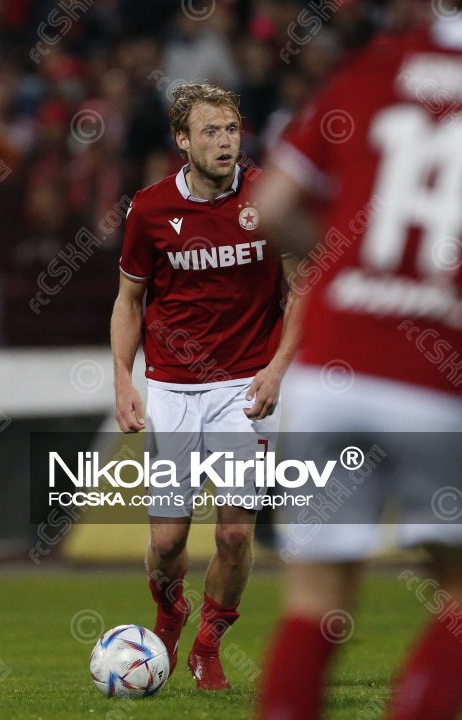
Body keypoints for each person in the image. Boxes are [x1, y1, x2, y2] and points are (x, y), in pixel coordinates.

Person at [254, 4, 462, 719]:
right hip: (438, 381)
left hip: (330, 370)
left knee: (314, 601)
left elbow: (272, 206)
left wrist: (348, 263)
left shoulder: (375, 68)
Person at [110, 83, 298, 690]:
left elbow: (303, 289)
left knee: (236, 532)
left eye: (231, 130)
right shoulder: (150, 209)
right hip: (171, 386)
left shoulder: (270, 198)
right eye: (210, 132)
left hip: (246, 385)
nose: (224, 142)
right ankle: (169, 615)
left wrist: (277, 369)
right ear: (182, 141)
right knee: (167, 542)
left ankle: (208, 644)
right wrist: (123, 379)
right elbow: (129, 300)